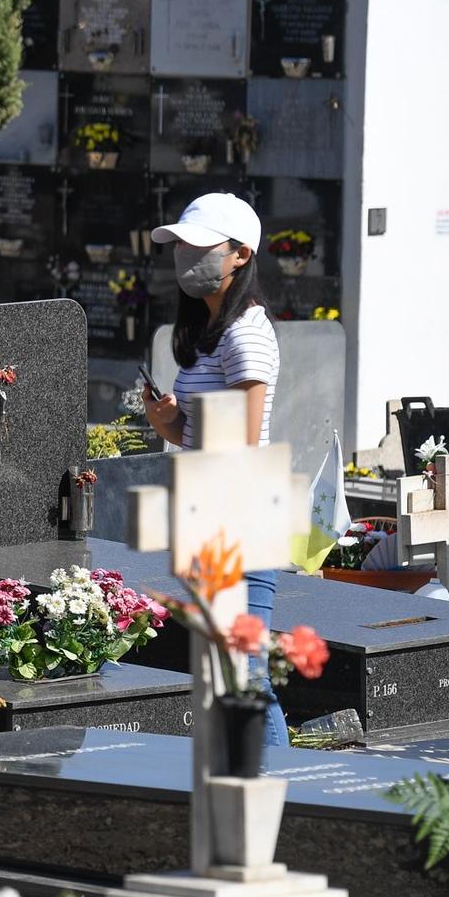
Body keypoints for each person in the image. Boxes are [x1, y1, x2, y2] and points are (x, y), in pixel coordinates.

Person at [147, 192, 286, 746]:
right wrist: (167, 422)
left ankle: (289, 792)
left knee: (244, 674)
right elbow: (200, 439)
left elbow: (242, 444)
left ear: (240, 255)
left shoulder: (245, 331)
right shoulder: (207, 334)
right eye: (181, 244)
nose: (186, 256)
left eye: (201, 246)